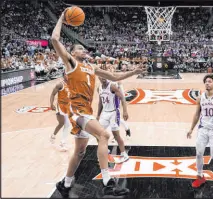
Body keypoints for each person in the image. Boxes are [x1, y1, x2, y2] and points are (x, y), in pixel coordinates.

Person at [51, 9, 145, 198]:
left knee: (79, 152)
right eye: (79, 49)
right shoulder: (71, 63)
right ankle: (107, 181)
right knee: (104, 134)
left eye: (84, 49)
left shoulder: (91, 67)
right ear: (72, 53)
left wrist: (133, 72)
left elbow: (114, 76)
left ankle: (66, 182)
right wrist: (62, 17)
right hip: (76, 110)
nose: (83, 51)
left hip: (86, 110)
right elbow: (54, 39)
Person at [97, 77, 129, 163]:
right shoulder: (99, 88)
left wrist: (125, 111)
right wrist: (98, 115)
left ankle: (124, 154)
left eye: (104, 75)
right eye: (101, 76)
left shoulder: (112, 86)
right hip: (105, 113)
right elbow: (100, 103)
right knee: (98, 133)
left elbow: (122, 97)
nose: (103, 78)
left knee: (116, 135)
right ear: (98, 77)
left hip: (114, 113)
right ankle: (106, 151)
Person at [50, 75, 70, 151]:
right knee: (62, 123)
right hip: (60, 106)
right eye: (66, 74)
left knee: (66, 124)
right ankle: (56, 138)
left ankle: (61, 142)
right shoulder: (60, 84)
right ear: (63, 76)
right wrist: (51, 104)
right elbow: (52, 94)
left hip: (68, 106)